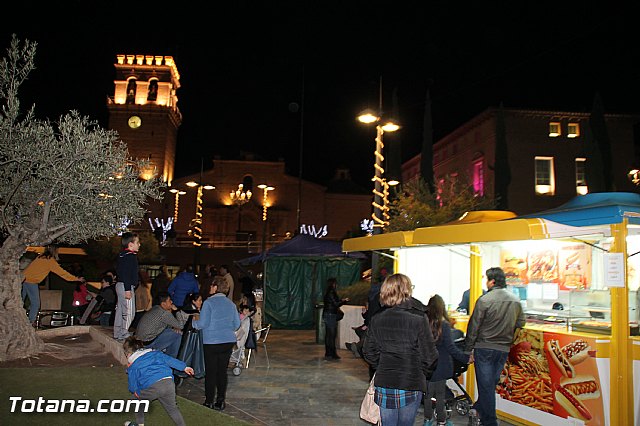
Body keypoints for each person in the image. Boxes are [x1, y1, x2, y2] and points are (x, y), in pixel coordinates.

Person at [363, 273, 439, 426]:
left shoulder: (377, 319)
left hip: (385, 381)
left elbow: (368, 351)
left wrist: (383, 365)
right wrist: (422, 373)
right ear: (407, 290)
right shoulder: (418, 318)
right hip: (411, 382)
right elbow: (430, 356)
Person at [465, 267, 526, 426]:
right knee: (490, 385)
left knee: (486, 386)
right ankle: (479, 407)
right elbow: (521, 323)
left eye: (487, 279)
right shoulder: (515, 300)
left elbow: (474, 327)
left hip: (484, 348)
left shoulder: (485, 300)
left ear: (492, 281)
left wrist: (468, 349)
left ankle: (490, 422)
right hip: (503, 348)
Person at [192, 276, 240, 411]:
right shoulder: (231, 304)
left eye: (211, 286)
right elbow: (236, 325)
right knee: (222, 372)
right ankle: (220, 401)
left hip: (212, 342)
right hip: (227, 341)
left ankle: (209, 401)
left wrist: (192, 323)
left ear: (215, 287)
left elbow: (203, 324)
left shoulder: (208, 303)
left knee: (211, 372)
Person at [123, 336, 194, 426]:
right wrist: (184, 367)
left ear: (128, 354)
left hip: (153, 387)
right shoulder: (155, 353)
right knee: (172, 408)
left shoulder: (133, 366)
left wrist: (136, 392)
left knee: (136, 402)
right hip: (168, 383)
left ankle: (140, 424)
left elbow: (133, 386)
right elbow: (170, 360)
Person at [423, 294, 470, 426]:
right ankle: (442, 421)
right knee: (440, 395)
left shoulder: (423, 323)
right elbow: (451, 348)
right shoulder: (444, 325)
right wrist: (466, 358)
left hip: (427, 365)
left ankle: (427, 420)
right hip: (442, 365)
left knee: (428, 394)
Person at [22, 245, 84, 326]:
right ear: (55, 251)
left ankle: (21, 318)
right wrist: (76, 279)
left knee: (20, 300)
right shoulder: (50, 261)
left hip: (23, 279)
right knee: (36, 303)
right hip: (31, 282)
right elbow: (63, 273)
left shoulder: (41, 257)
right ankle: (31, 322)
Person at [134, 292, 189, 358]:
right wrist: (177, 311)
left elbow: (166, 325)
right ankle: (170, 359)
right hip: (148, 343)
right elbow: (181, 326)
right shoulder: (164, 313)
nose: (171, 302)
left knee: (172, 332)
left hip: (140, 340)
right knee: (178, 335)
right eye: (169, 300)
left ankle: (166, 355)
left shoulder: (156, 308)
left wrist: (174, 327)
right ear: (163, 304)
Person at [114, 232, 141, 341]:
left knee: (120, 310)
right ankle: (123, 333)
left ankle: (118, 332)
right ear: (130, 244)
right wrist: (127, 289)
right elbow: (126, 273)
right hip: (126, 286)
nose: (139, 245)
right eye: (137, 242)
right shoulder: (130, 256)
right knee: (129, 311)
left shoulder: (122, 255)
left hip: (120, 285)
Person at [322, 277, 349, 361]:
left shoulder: (327, 292)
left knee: (328, 335)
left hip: (327, 314)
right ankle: (333, 354)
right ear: (333, 283)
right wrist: (344, 301)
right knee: (332, 335)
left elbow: (332, 302)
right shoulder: (332, 292)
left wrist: (341, 300)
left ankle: (328, 353)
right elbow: (336, 304)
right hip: (331, 315)